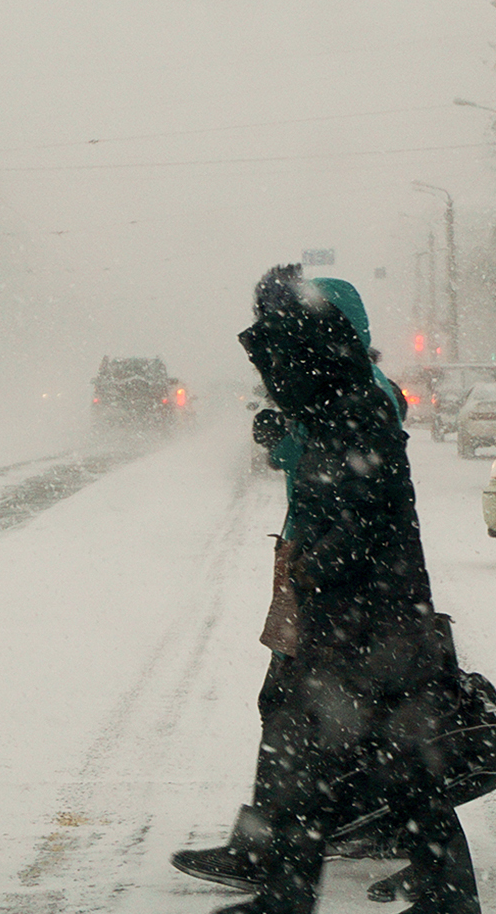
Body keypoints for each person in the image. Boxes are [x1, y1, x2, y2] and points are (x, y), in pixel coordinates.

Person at [198, 265, 478, 914]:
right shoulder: (331, 400)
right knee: (372, 756)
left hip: (366, 615)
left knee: (327, 747)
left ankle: (291, 890)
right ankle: (421, 895)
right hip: (361, 611)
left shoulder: (359, 401)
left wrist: (318, 567)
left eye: (280, 347)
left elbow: (364, 512)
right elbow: (336, 497)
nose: (273, 369)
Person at [172, 274, 416, 898]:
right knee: (339, 714)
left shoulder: (361, 392)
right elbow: (315, 460)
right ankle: (391, 835)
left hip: (342, 581)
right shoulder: (341, 389)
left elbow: (354, 487)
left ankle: (271, 853)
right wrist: (281, 440)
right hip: (322, 566)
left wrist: (322, 564)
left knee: (295, 710)